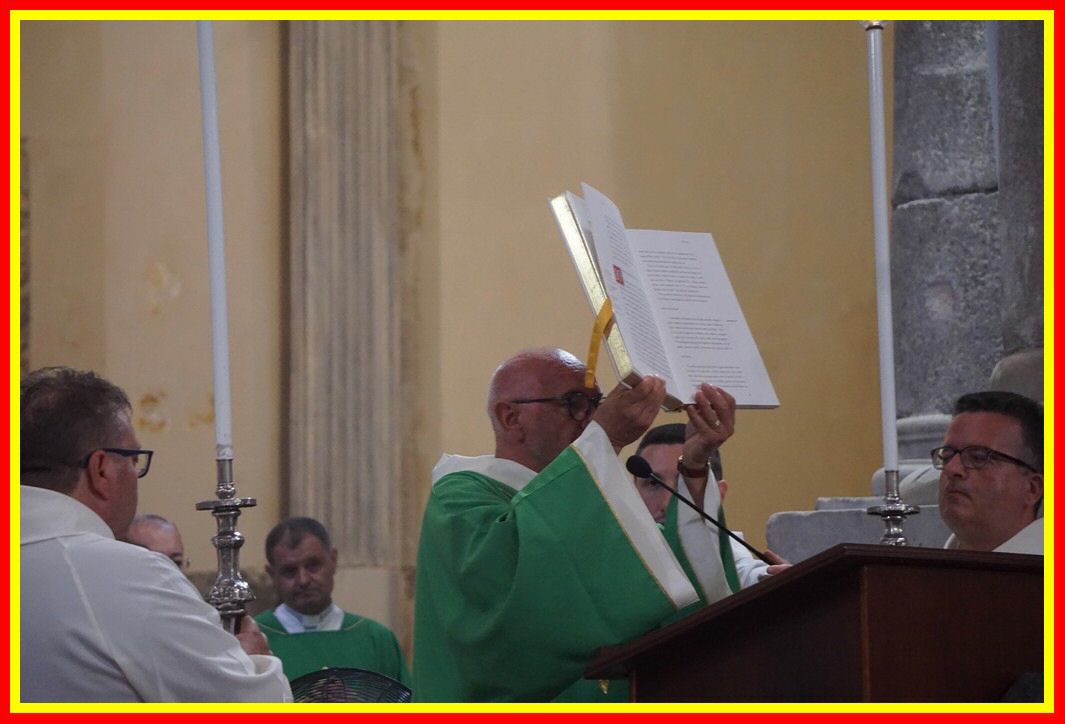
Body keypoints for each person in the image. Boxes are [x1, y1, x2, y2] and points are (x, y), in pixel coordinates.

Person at [412, 347, 736, 702]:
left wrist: (694, 464)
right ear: (510, 418)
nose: (592, 419)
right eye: (575, 404)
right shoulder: (460, 498)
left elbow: (676, 578)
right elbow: (516, 599)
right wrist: (605, 439)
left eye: (597, 404)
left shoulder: (593, 508)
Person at [20, 366, 291, 702]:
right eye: (133, 459)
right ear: (101, 470)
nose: (136, 475)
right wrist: (252, 663)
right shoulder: (127, 576)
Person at [255, 517, 411, 687]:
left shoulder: (377, 639)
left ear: (333, 560)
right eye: (290, 571)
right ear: (272, 574)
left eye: (313, 565)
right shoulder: (254, 641)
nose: (303, 580)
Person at [633, 423, 789, 588]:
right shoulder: (622, 551)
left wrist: (769, 579)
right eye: (653, 483)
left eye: (684, 485)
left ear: (718, 494)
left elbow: (744, 573)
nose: (666, 504)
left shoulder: (732, 558)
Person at [935, 390, 1043, 554]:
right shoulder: (922, 565)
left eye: (978, 457)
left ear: (1032, 488)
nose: (952, 468)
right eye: (947, 456)